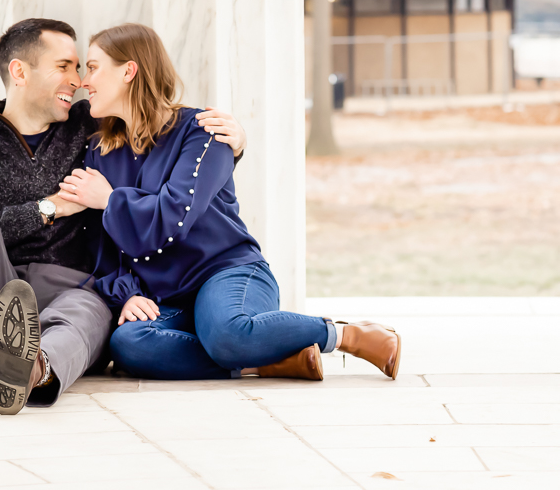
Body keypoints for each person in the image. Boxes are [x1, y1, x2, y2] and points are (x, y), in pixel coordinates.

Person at [0, 18, 249, 414]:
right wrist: (49, 208)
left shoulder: (91, 124)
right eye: (65, 67)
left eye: (81, 67)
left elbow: (159, 128)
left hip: (78, 292)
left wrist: (231, 143)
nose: (78, 80)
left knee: (84, 315)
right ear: (19, 71)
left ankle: (34, 369)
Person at [58, 23, 401, 381]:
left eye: (93, 67)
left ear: (129, 71)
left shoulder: (205, 131)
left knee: (227, 333)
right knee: (130, 344)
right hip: (168, 298)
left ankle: (346, 334)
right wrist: (127, 295)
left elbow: (174, 216)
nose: (84, 81)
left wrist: (112, 199)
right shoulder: (99, 153)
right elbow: (101, 243)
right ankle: (268, 360)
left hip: (227, 274)